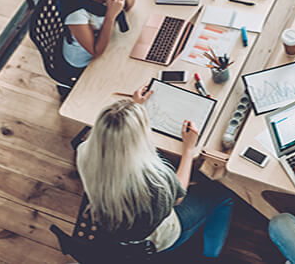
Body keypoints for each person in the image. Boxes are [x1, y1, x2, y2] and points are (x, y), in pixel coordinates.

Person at [76, 86, 234, 255]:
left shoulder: (84, 151)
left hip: (112, 224)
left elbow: (115, 136)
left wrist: (132, 108)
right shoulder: (153, 179)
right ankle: (211, 254)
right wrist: (188, 150)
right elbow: (178, 197)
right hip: (156, 240)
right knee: (223, 194)